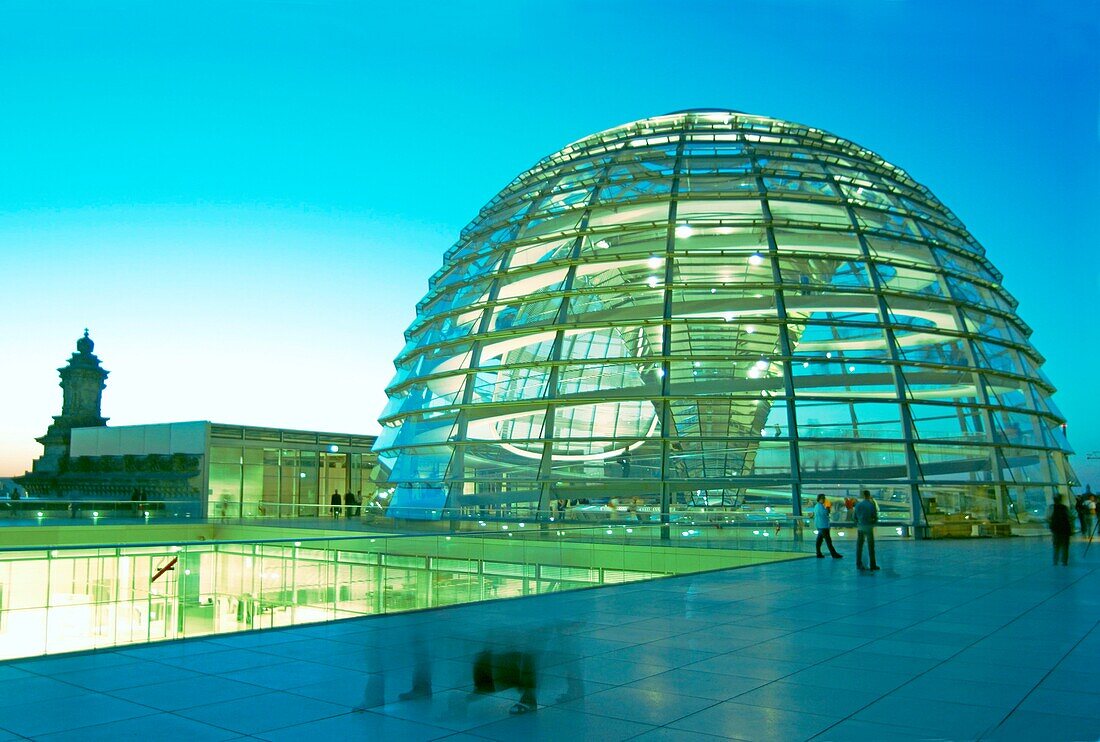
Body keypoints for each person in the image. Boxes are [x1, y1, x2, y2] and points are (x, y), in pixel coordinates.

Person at [853, 489, 880, 571]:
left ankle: (858, 564)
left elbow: (854, 518)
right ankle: (873, 565)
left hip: (860, 527)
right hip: (868, 527)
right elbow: (875, 516)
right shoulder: (871, 505)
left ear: (862, 496)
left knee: (859, 547)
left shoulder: (858, 505)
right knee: (871, 547)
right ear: (869, 495)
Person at [813, 493, 844, 559]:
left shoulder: (816, 506)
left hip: (819, 525)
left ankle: (818, 553)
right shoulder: (821, 507)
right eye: (823, 498)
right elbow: (826, 513)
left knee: (819, 540)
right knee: (828, 541)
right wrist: (827, 508)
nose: (824, 500)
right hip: (823, 526)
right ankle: (834, 554)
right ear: (820, 499)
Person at [1049, 494, 1072, 566]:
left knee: (1056, 546)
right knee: (1065, 547)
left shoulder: (1051, 508)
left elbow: (1048, 517)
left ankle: (1055, 561)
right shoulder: (1064, 508)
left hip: (1056, 530)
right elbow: (1070, 517)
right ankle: (1064, 561)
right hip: (1065, 530)